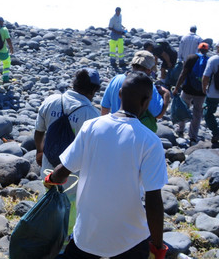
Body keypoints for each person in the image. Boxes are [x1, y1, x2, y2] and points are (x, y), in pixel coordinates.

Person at [46, 72, 168, 259]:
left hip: (87, 236)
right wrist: (158, 246)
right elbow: (153, 200)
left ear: (119, 94)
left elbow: (63, 171)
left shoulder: (91, 127)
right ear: (146, 101)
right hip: (129, 239)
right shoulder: (150, 141)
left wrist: (50, 179)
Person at [33, 68, 101, 237]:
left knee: (48, 202)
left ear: (74, 83)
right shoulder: (91, 114)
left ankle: (45, 237)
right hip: (73, 177)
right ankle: (63, 244)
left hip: (48, 169)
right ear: (93, 90)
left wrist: (39, 152)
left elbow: (38, 131)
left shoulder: (51, 101)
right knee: (69, 211)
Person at [100, 51, 171, 121]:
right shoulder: (147, 85)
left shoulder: (116, 79)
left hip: (115, 126)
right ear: (149, 70)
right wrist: (166, 94)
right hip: (134, 129)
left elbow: (105, 107)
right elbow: (158, 114)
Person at [173, 42, 210, 144]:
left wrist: (176, 88)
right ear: (207, 50)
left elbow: (183, 73)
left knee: (183, 109)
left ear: (198, 49)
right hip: (201, 92)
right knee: (197, 113)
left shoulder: (191, 58)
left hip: (187, 90)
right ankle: (193, 136)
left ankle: (180, 129)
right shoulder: (209, 61)